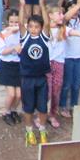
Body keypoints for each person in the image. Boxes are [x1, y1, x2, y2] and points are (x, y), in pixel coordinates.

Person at [17, 14, 51, 145]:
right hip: (27, 79)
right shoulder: (25, 38)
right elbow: (20, 23)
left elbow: (47, 23)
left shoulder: (44, 38)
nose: (33, 29)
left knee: (43, 108)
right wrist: (23, 5)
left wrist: (42, 5)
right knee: (28, 108)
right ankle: (29, 131)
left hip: (41, 78)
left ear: (41, 28)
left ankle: (42, 130)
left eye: (36, 27)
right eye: (30, 26)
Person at [0, 10, 23, 126]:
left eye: (16, 22)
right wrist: (14, 48)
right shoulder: (3, 34)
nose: (14, 25)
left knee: (19, 94)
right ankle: (6, 112)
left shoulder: (22, 33)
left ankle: (13, 110)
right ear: (8, 22)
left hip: (18, 65)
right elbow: (2, 51)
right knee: (11, 94)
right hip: (7, 65)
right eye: (11, 22)